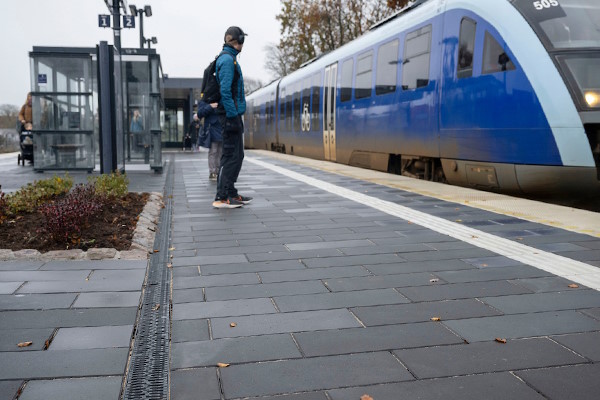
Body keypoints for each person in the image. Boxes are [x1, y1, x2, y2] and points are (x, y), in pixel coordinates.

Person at [212, 26, 252, 209]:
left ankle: (230, 191)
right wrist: (233, 115)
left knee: (237, 155)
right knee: (230, 155)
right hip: (230, 115)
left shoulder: (230, 59)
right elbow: (225, 92)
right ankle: (222, 197)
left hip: (232, 114)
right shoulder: (227, 61)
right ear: (238, 40)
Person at [197, 101, 223, 180]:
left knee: (220, 152)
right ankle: (212, 172)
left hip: (222, 127)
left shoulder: (221, 97)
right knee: (213, 151)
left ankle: (219, 171)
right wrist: (210, 106)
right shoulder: (205, 99)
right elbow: (200, 113)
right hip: (212, 129)